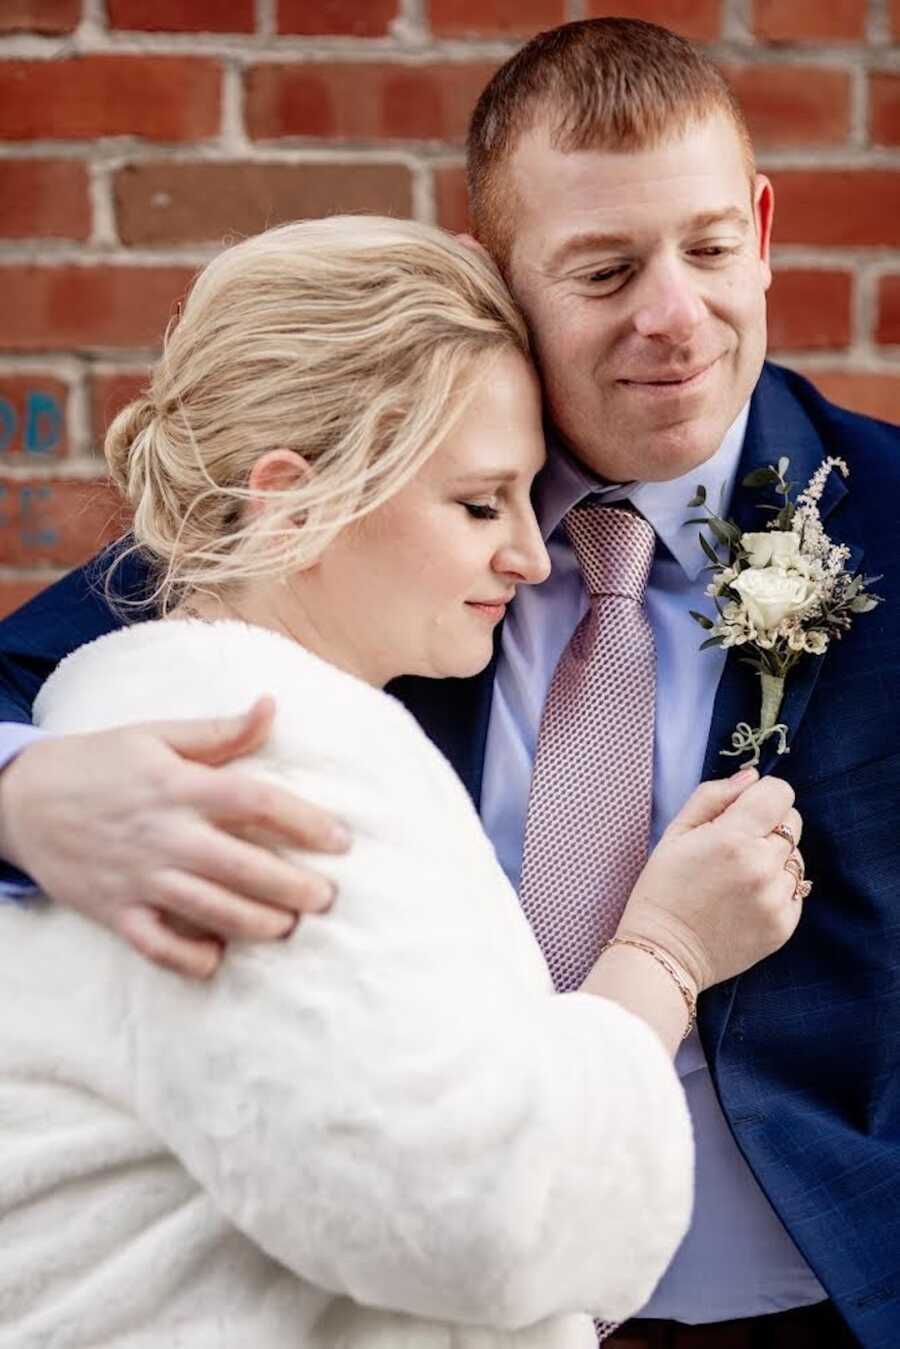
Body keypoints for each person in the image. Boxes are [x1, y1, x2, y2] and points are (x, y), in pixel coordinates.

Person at [0, 14, 896, 1348]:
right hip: (435, 1288)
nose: (675, 316)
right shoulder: (388, 500)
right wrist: (24, 793)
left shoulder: (878, 512)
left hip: (821, 1304)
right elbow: (102, 647)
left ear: (763, 230)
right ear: (499, 271)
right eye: (602, 269)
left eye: (709, 249)